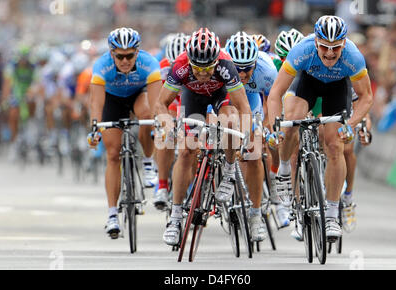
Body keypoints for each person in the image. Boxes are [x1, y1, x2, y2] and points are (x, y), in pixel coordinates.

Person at [267, 16, 373, 241]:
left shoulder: (353, 57)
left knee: (335, 146)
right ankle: (285, 170)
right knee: (291, 122)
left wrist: (352, 125)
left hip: (337, 89)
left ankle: (333, 215)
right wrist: (276, 125)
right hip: (308, 83)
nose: (330, 54)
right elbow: (275, 93)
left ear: (344, 43)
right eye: (324, 47)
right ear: (316, 42)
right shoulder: (301, 51)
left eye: (336, 48)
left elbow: (366, 98)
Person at [155, 28, 255, 246]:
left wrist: (246, 135)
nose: (202, 74)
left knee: (229, 122)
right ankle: (175, 218)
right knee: (186, 151)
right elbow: (161, 104)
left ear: (215, 61)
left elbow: (243, 105)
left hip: (221, 95)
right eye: (197, 68)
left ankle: (228, 171)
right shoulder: (180, 66)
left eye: (208, 68)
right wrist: (169, 126)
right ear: (189, 61)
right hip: (193, 99)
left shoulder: (225, 64)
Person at [88, 28, 162, 239]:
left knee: (148, 114)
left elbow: (157, 103)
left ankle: (148, 162)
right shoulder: (102, 66)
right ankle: (112, 214)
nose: (125, 60)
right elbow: (96, 102)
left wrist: (160, 125)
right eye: (120, 56)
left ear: (137, 52)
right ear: (112, 53)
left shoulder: (149, 63)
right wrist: (95, 127)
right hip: (112, 100)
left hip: (139, 95)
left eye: (130, 55)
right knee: (112, 154)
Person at [225, 31, 289, 229]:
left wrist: (267, 128)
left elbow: (274, 103)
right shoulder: (221, 66)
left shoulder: (267, 71)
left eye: (247, 69)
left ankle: (256, 211)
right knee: (224, 128)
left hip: (253, 99)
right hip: (228, 98)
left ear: (255, 63)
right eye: (238, 69)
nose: (243, 74)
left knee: (254, 149)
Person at [154, 33, 190, 210]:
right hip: (172, 101)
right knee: (164, 137)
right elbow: (160, 101)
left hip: (190, 99)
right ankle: (162, 185)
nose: (176, 68)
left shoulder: (194, 66)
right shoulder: (161, 68)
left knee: (193, 140)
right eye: (171, 65)